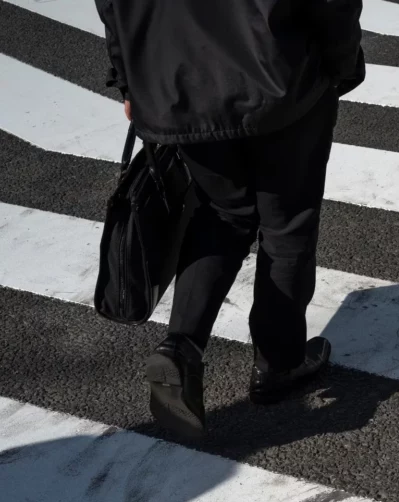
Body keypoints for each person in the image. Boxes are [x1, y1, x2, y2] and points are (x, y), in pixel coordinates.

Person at [94, 0, 365, 439]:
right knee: (287, 223)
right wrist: (341, 59)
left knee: (222, 213)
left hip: (177, 82)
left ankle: (181, 347)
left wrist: (129, 80)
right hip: (279, 75)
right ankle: (279, 364)